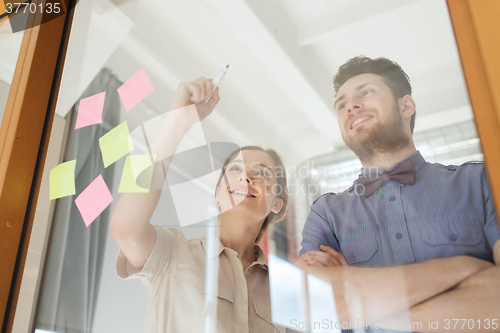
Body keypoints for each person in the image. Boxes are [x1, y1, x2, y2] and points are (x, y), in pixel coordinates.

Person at [297, 56, 500, 331]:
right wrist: (464, 268)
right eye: (341, 105)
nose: (350, 106)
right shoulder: (326, 214)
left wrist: (364, 308)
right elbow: (313, 308)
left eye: (365, 92)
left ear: (406, 106)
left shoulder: (479, 181)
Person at [111, 77, 288, 332]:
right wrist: (178, 122)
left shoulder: (285, 297)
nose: (246, 177)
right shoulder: (172, 253)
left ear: (276, 204)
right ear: (218, 193)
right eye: (235, 169)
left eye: (261, 173)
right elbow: (126, 228)